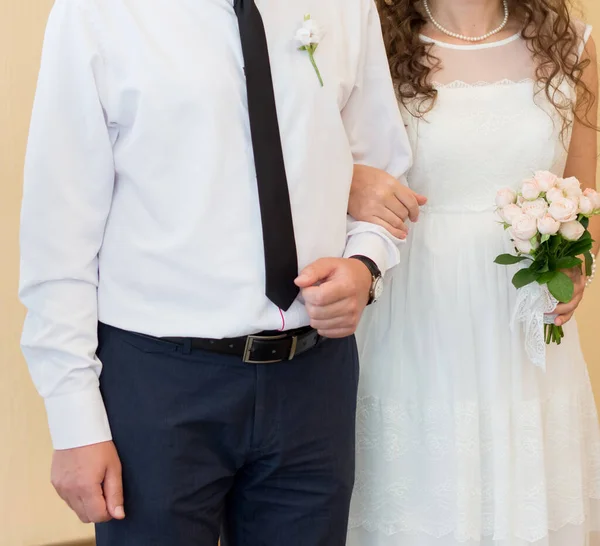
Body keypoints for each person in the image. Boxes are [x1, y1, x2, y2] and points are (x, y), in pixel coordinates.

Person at [19, 0, 421, 544]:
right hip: (158, 385)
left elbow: (381, 172)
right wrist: (73, 422)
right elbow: (59, 233)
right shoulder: (97, 12)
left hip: (313, 379)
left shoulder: (345, 6)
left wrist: (364, 265)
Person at [347, 0, 600, 545]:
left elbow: (586, 194)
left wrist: (577, 264)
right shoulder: (376, 44)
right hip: (415, 313)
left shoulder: (573, 46)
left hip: (525, 321)